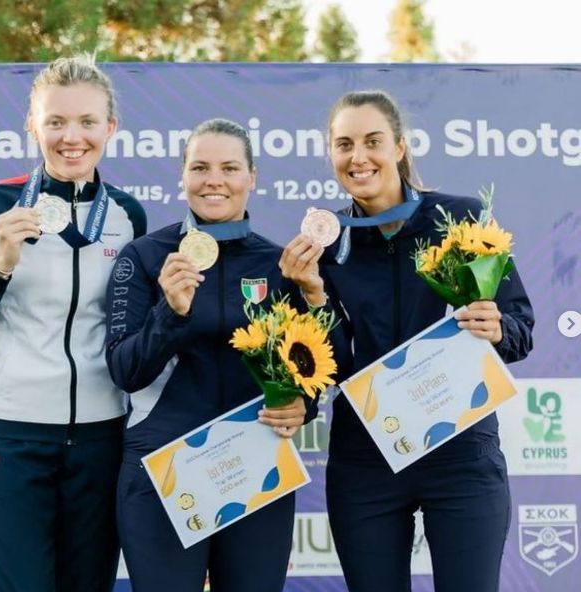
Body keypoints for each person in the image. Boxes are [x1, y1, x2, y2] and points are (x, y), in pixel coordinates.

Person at [105, 118, 352, 592]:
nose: (213, 180)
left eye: (229, 167)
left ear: (251, 177)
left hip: (254, 464)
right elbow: (124, 371)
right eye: (199, 167)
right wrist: (170, 314)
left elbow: (324, 367)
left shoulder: (281, 265)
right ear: (182, 177)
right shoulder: (145, 256)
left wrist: (305, 406)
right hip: (163, 468)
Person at [0, 55, 146, 592]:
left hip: (102, 439)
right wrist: (0, 262)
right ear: (33, 126)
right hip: (10, 437)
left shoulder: (128, 215)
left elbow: (135, 330)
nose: (70, 136)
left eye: (86, 122)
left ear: (110, 129)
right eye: (55, 121)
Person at [321, 90, 534, 592]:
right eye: (344, 144)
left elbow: (521, 327)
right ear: (331, 154)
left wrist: (498, 327)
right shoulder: (327, 243)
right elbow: (330, 362)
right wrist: (311, 296)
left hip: (460, 453)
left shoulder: (460, 221)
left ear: (398, 146)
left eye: (372, 141)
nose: (359, 157)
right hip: (366, 459)